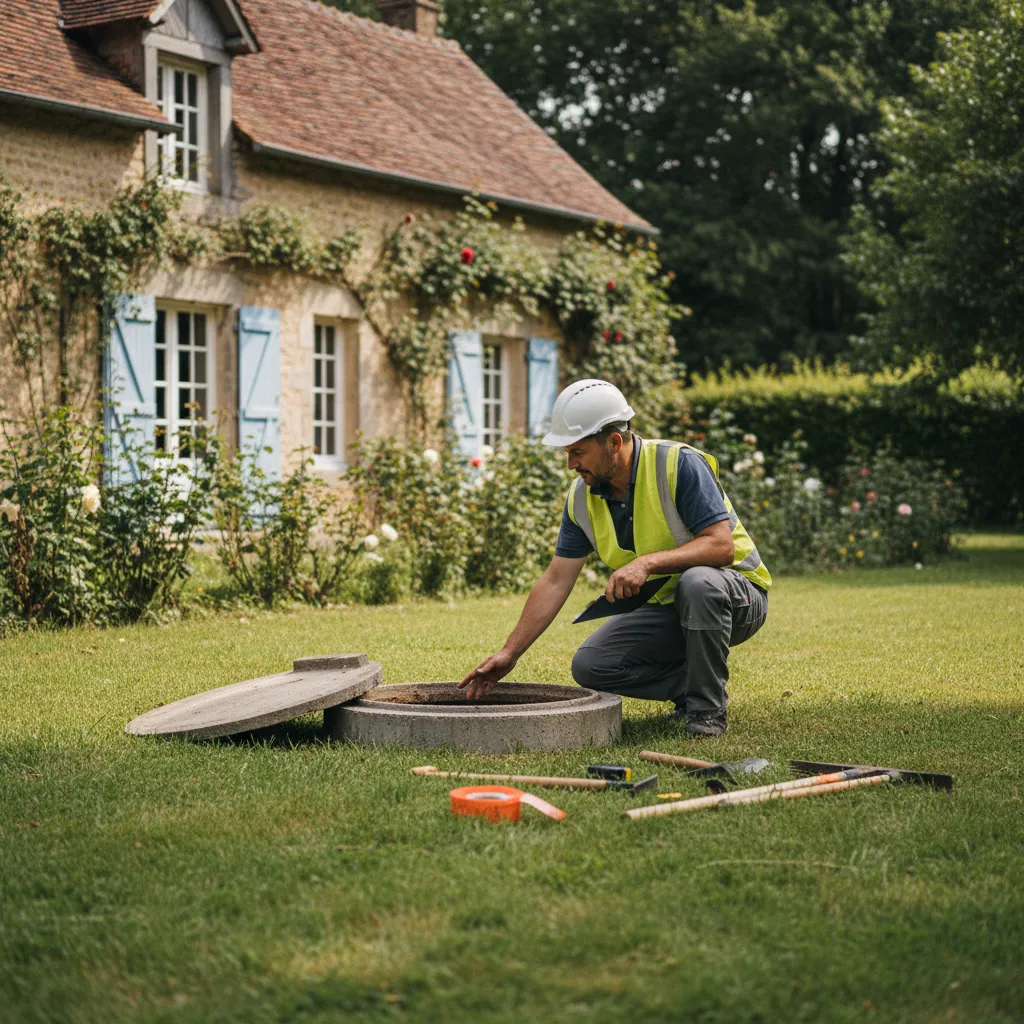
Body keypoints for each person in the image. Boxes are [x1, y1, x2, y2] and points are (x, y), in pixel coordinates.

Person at [459, 379, 771, 737]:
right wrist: (510, 652)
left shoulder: (678, 464)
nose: (571, 464)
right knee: (592, 665)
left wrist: (647, 563)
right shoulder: (582, 497)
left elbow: (721, 546)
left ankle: (706, 714)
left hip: (737, 597)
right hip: (671, 607)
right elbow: (556, 580)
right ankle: (694, 687)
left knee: (697, 582)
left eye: (577, 452)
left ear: (613, 442)